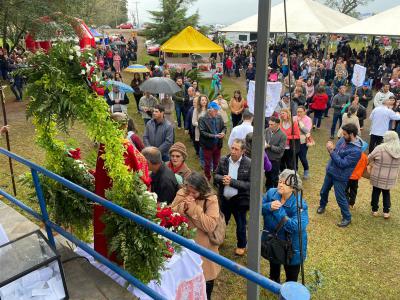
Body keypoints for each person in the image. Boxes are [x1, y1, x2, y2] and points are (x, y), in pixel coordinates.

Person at [94, 113, 151, 262]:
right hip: (122, 194)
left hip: (104, 191)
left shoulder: (104, 143)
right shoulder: (126, 146)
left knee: (105, 222)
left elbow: (101, 171)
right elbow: (141, 170)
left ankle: (103, 254)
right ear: (125, 126)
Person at [171, 172, 221, 300]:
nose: (190, 195)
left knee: (204, 286)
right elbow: (171, 211)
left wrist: (193, 208)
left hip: (203, 250)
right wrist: (185, 206)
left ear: (201, 189)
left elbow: (210, 225)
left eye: (194, 193)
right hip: (183, 246)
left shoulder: (211, 199)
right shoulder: (183, 192)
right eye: (189, 191)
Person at [262, 169, 308, 283]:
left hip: (292, 247)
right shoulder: (271, 193)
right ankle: (274, 281)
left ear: (293, 187)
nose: (280, 184)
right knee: (274, 265)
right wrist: (268, 206)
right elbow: (259, 208)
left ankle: (288, 290)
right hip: (273, 241)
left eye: (284, 182)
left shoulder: (299, 204)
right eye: (279, 181)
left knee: (291, 274)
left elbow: (297, 226)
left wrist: (278, 210)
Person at [317, 123, 363, 227]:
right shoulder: (343, 139)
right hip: (330, 172)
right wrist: (332, 147)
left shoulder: (356, 151)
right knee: (323, 191)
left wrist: (331, 151)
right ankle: (322, 205)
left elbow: (342, 163)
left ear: (352, 134)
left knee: (340, 197)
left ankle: (347, 217)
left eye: (345, 134)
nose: (342, 136)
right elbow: (337, 150)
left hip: (340, 176)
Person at [214, 139, 251, 256]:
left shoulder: (249, 163)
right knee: (222, 221)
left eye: (236, 149)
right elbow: (215, 175)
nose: (233, 151)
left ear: (243, 151)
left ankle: (241, 245)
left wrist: (232, 182)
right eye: (232, 148)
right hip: (224, 198)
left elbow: (250, 184)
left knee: (241, 224)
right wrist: (221, 179)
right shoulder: (223, 160)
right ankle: (219, 239)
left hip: (240, 200)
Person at [368, 131, 400, 219]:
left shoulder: (380, 148)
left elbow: (369, 157)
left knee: (376, 191)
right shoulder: (398, 149)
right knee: (386, 192)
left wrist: (372, 163)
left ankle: (375, 210)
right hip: (391, 176)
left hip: (378, 174)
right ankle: (386, 212)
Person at [198, 102, 227, 181]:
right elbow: (202, 132)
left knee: (217, 163)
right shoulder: (202, 119)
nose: (217, 112)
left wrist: (223, 132)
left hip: (218, 145)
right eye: (215, 110)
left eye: (217, 110)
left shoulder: (219, 117)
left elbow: (224, 127)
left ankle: (216, 179)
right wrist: (214, 136)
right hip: (208, 145)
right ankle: (207, 178)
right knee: (207, 164)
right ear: (209, 110)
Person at [265, 116, 287, 190]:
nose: (270, 126)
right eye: (269, 124)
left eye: (272, 125)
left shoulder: (282, 135)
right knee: (267, 175)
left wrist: (270, 146)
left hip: (275, 159)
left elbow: (281, 149)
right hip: (266, 158)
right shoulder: (266, 130)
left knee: (274, 176)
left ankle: (274, 189)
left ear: (278, 124)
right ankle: (268, 188)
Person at [346, 141, 368, 209]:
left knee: (345, 189)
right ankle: (351, 203)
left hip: (348, 175)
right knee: (353, 190)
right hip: (356, 177)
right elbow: (365, 167)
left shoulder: (353, 154)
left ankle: (346, 201)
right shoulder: (365, 157)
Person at [294, 106, 312, 179]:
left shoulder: (308, 119)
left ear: (304, 111)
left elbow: (307, 130)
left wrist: (300, 122)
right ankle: (295, 171)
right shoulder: (293, 118)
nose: (299, 113)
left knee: (302, 157)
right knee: (294, 156)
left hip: (303, 141)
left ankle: (306, 170)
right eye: (298, 111)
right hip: (294, 140)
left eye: (300, 111)